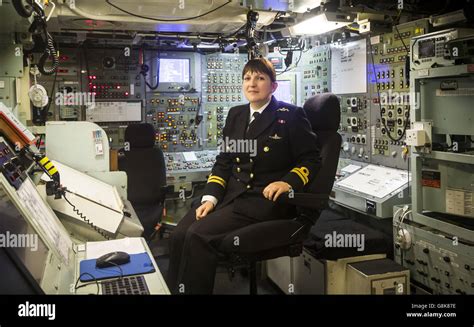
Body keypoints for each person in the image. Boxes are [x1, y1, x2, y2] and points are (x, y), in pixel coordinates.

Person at [167, 57, 320, 294]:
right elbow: (224, 161)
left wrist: (287, 182)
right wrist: (210, 198)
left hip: (263, 201)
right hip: (231, 197)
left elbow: (311, 159)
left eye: (260, 78)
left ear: (273, 86)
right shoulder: (236, 114)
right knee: (179, 234)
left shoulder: (290, 115)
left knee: (197, 236)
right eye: (247, 78)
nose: (252, 84)